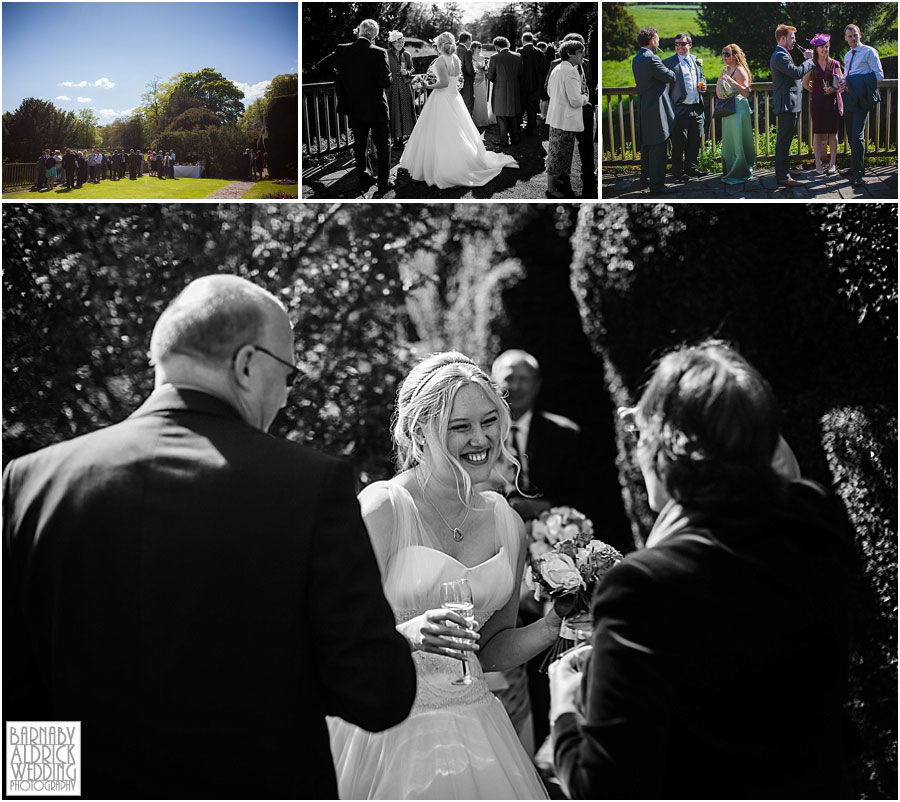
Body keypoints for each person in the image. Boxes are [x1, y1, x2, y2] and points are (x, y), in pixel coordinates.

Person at [3, 274, 416, 799]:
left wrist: (43, 793)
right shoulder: (309, 485)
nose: (287, 399)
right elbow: (377, 693)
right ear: (247, 364)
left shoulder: (32, 481)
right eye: (288, 377)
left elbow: (19, 690)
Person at [549, 340, 854, 799]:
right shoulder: (815, 524)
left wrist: (566, 710)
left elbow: (604, 786)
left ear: (663, 450)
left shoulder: (642, 588)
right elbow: (773, 465)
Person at [327, 351, 559, 799]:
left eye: (489, 421)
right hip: (386, 733)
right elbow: (336, 634)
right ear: (419, 431)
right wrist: (408, 632)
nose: (481, 439)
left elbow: (490, 651)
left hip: (479, 730)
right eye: (460, 426)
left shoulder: (505, 521)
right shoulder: (383, 508)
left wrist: (551, 627)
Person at [400, 31, 517, 189]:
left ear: (441, 45)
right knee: (456, 131)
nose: (435, 47)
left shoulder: (441, 60)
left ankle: (443, 167)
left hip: (442, 98)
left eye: (436, 44)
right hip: (454, 97)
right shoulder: (454, 58)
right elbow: (457, 81)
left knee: (441, 132)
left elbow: (443, 83)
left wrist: (426, 85)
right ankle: (461, 159)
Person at [330, 18, 393, 194]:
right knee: (383, 145)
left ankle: (364, 178)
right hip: (377, 108)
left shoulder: (342, 50)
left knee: (359, 144)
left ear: (359, 31)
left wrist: (340, 77)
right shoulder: (379, 52)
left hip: (355, 107)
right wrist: (390, 76)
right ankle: (383, 184)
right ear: (374, 36)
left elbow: (321, 67)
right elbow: (385, 83)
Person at [632, 27, 675, 195]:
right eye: (657, 40)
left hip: (644, 108)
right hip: (656, 111)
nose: (658, 42)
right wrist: (669, 70)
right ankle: (657, 186)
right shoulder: (652, 59)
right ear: (651, 41)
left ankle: (645, 180)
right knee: (658, 148)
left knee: (647, 148)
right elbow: (670, 76)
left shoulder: (636, 58)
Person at [545, 40, 590, 199]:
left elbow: (550, 92)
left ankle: (557, 181)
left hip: (557, 117)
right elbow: (575, 101)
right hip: (566, 119)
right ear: (570, 53)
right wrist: (585, 97)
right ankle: (551, 188)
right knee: (558, 154)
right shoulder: (571, 71)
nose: (582, 55)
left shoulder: (557, 68)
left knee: (557, 151)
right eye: (580, 52)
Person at [839, 24, 884, 187]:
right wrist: (843, 83)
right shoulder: (847, 55)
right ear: (845, 38)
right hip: (849, 98)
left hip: (862, 100)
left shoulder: (869, 52)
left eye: (855, 35)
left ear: (860, 35)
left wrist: (856, 82)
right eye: (849, 36)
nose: (852, 39)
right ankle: (854, 167)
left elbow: (879, 76)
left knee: (857, 136)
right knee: (851, 135)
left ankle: (859, 174)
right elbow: (847, 76)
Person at [770, 24, 814, 187]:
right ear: (782, 38)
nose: (795, 40)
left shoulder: (784, 53)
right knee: (783, 140)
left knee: (787, 139)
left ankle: (785, 169)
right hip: (786, 104)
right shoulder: (780, 55)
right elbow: (796, 72)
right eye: (792, 37)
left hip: (791, 103)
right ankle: (782, 176)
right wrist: (809, 60)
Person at [662, 34, 708, 182]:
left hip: (697, 106)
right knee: (679, 141)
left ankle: (692, 168)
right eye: (676, 44)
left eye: (682, 44)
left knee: (695, 140)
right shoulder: (668, 63)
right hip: (679, 107)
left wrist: (703, 84)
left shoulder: (696, 60)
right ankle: (677, 170)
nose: (679, 47)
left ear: (690, 45)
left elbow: (702, 76)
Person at [802, 34, 843, 175]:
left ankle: (832, 164)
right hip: (817, 103)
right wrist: (816, 91)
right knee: (818, 133)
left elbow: (842, 83)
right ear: (816, 49)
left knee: (833, 132)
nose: (824, 49)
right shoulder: (811, 64)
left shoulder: (835, 64)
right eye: (821, 47)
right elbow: (804, 83)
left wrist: (835, 88)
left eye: (826, 47)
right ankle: (818, 163)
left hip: (832, 103)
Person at [717, 42, 755, 184]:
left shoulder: (740, 70)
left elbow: (746, 92)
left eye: (727, 54)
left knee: (738, 138)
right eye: (723, 53)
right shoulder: (725, 69)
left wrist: (732, 81)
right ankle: (730, 168)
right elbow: (718, 88)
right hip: (728, 108)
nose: (724, 56)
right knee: (729, 139)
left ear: (734, 56)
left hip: (739, 109)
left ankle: (740, 171)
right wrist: (721, 92)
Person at [487, 36, 523, 149]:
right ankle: (515, 139)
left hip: (500, 90)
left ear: (497, 46)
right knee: (513, 115)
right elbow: (520, 74)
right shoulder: (518, 56)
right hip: (514, 89)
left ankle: (504, 141)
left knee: (501, 117)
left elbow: (490, 76)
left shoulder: (494, 57)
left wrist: (498, 81)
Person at [386, 30, 416, 149]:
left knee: (405, 111)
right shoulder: (386, 54)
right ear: (392, 42)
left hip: (404, 86)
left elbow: (412, 68)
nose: (400, 43)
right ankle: (396, 139)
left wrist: (407, 72)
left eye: (402, 41)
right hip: (392, 87)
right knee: (395, 112)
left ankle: (405, 137)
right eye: (398, 41)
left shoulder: (407, 54)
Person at [520, 32, 543, 136]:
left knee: (521, 106)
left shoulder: (520, 51)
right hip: (536, 84)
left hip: (522, 84)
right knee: (532, 107)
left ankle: (518, 126)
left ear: (523, 40)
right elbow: (542, 70)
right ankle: (531, 127)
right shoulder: (540, 52)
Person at [470, 41, 496, 127]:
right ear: (473, 48)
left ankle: (483, 120)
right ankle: (475, 120)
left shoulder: (481, 57)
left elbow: (485, 68)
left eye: (481, 47)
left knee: (482, 99)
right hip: (474, 80)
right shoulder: (471, 56)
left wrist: (484, 67)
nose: (480, 49)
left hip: (482, 79)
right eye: (479, 47)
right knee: (476, 99)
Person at [457, 31, 476, 115]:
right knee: (467, 105)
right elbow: (469, 70)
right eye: (471, 40)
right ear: (468, 39)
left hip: (455, 83)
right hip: (466, 83)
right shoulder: (467, 52)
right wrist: (475, 72)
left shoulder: (453, 50)